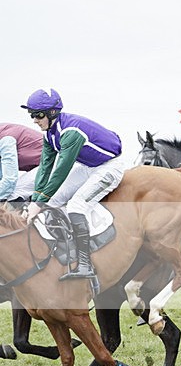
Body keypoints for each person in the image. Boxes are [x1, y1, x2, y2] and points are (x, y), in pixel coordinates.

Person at [21, 88, 124, 281]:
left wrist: (38, 203)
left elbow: (60, 171)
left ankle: (86, 264)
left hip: (109, 167)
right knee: (51, 200)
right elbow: (45, 168)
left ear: (52, 113)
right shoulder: (48, 133)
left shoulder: (71, 132)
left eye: (38, 115)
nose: (34, 120)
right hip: (87, 166)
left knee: (76, 205)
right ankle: (62, 250)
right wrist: (35, 201)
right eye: (31, 115)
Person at [0, 123, 42, 202]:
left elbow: (9, 180)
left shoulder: (5, 139)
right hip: (43, 167)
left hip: (57, 164)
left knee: (13, 193)